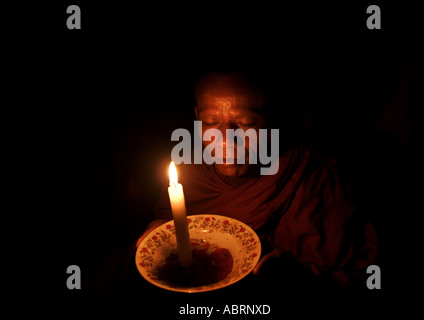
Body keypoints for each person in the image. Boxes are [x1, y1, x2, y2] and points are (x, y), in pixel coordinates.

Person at [136, 69, 378, 288]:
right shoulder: (191, 172)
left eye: (245, 124)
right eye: (210, 123)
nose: (225, 141)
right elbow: (171, 226)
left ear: (272, 119)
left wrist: (298, 277)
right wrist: (162, 232)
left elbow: (360, 276)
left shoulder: (313, 181)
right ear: (197, 116)